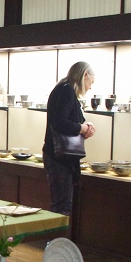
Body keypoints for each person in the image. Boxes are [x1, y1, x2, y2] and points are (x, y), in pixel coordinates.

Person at [43, 61, 96, 216]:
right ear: (84, 74)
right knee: (61, 207)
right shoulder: (66, 91)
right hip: (59, 157)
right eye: (91, 82)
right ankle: (57, 241)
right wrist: (82, 128)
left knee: (61, 204)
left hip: (58, 156)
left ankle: (57, 241)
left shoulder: (64, 89)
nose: (90, 87)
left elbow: (72, 120)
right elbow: (60, 122)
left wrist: (86, 126)